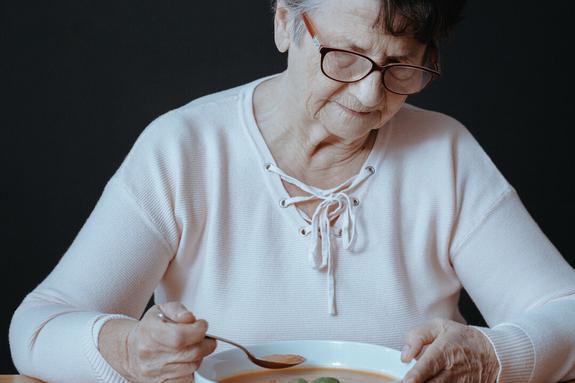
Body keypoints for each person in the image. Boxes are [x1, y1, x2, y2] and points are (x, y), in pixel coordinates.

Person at [9, 0, 575, 382]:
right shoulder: (184, 149)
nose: (369, 95)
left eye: (402, 65)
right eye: (345, 57)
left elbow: (567, 313)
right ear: (285, 22)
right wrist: (128, 350)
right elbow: (35, 329)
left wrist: (492, 357)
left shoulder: (444, 153)